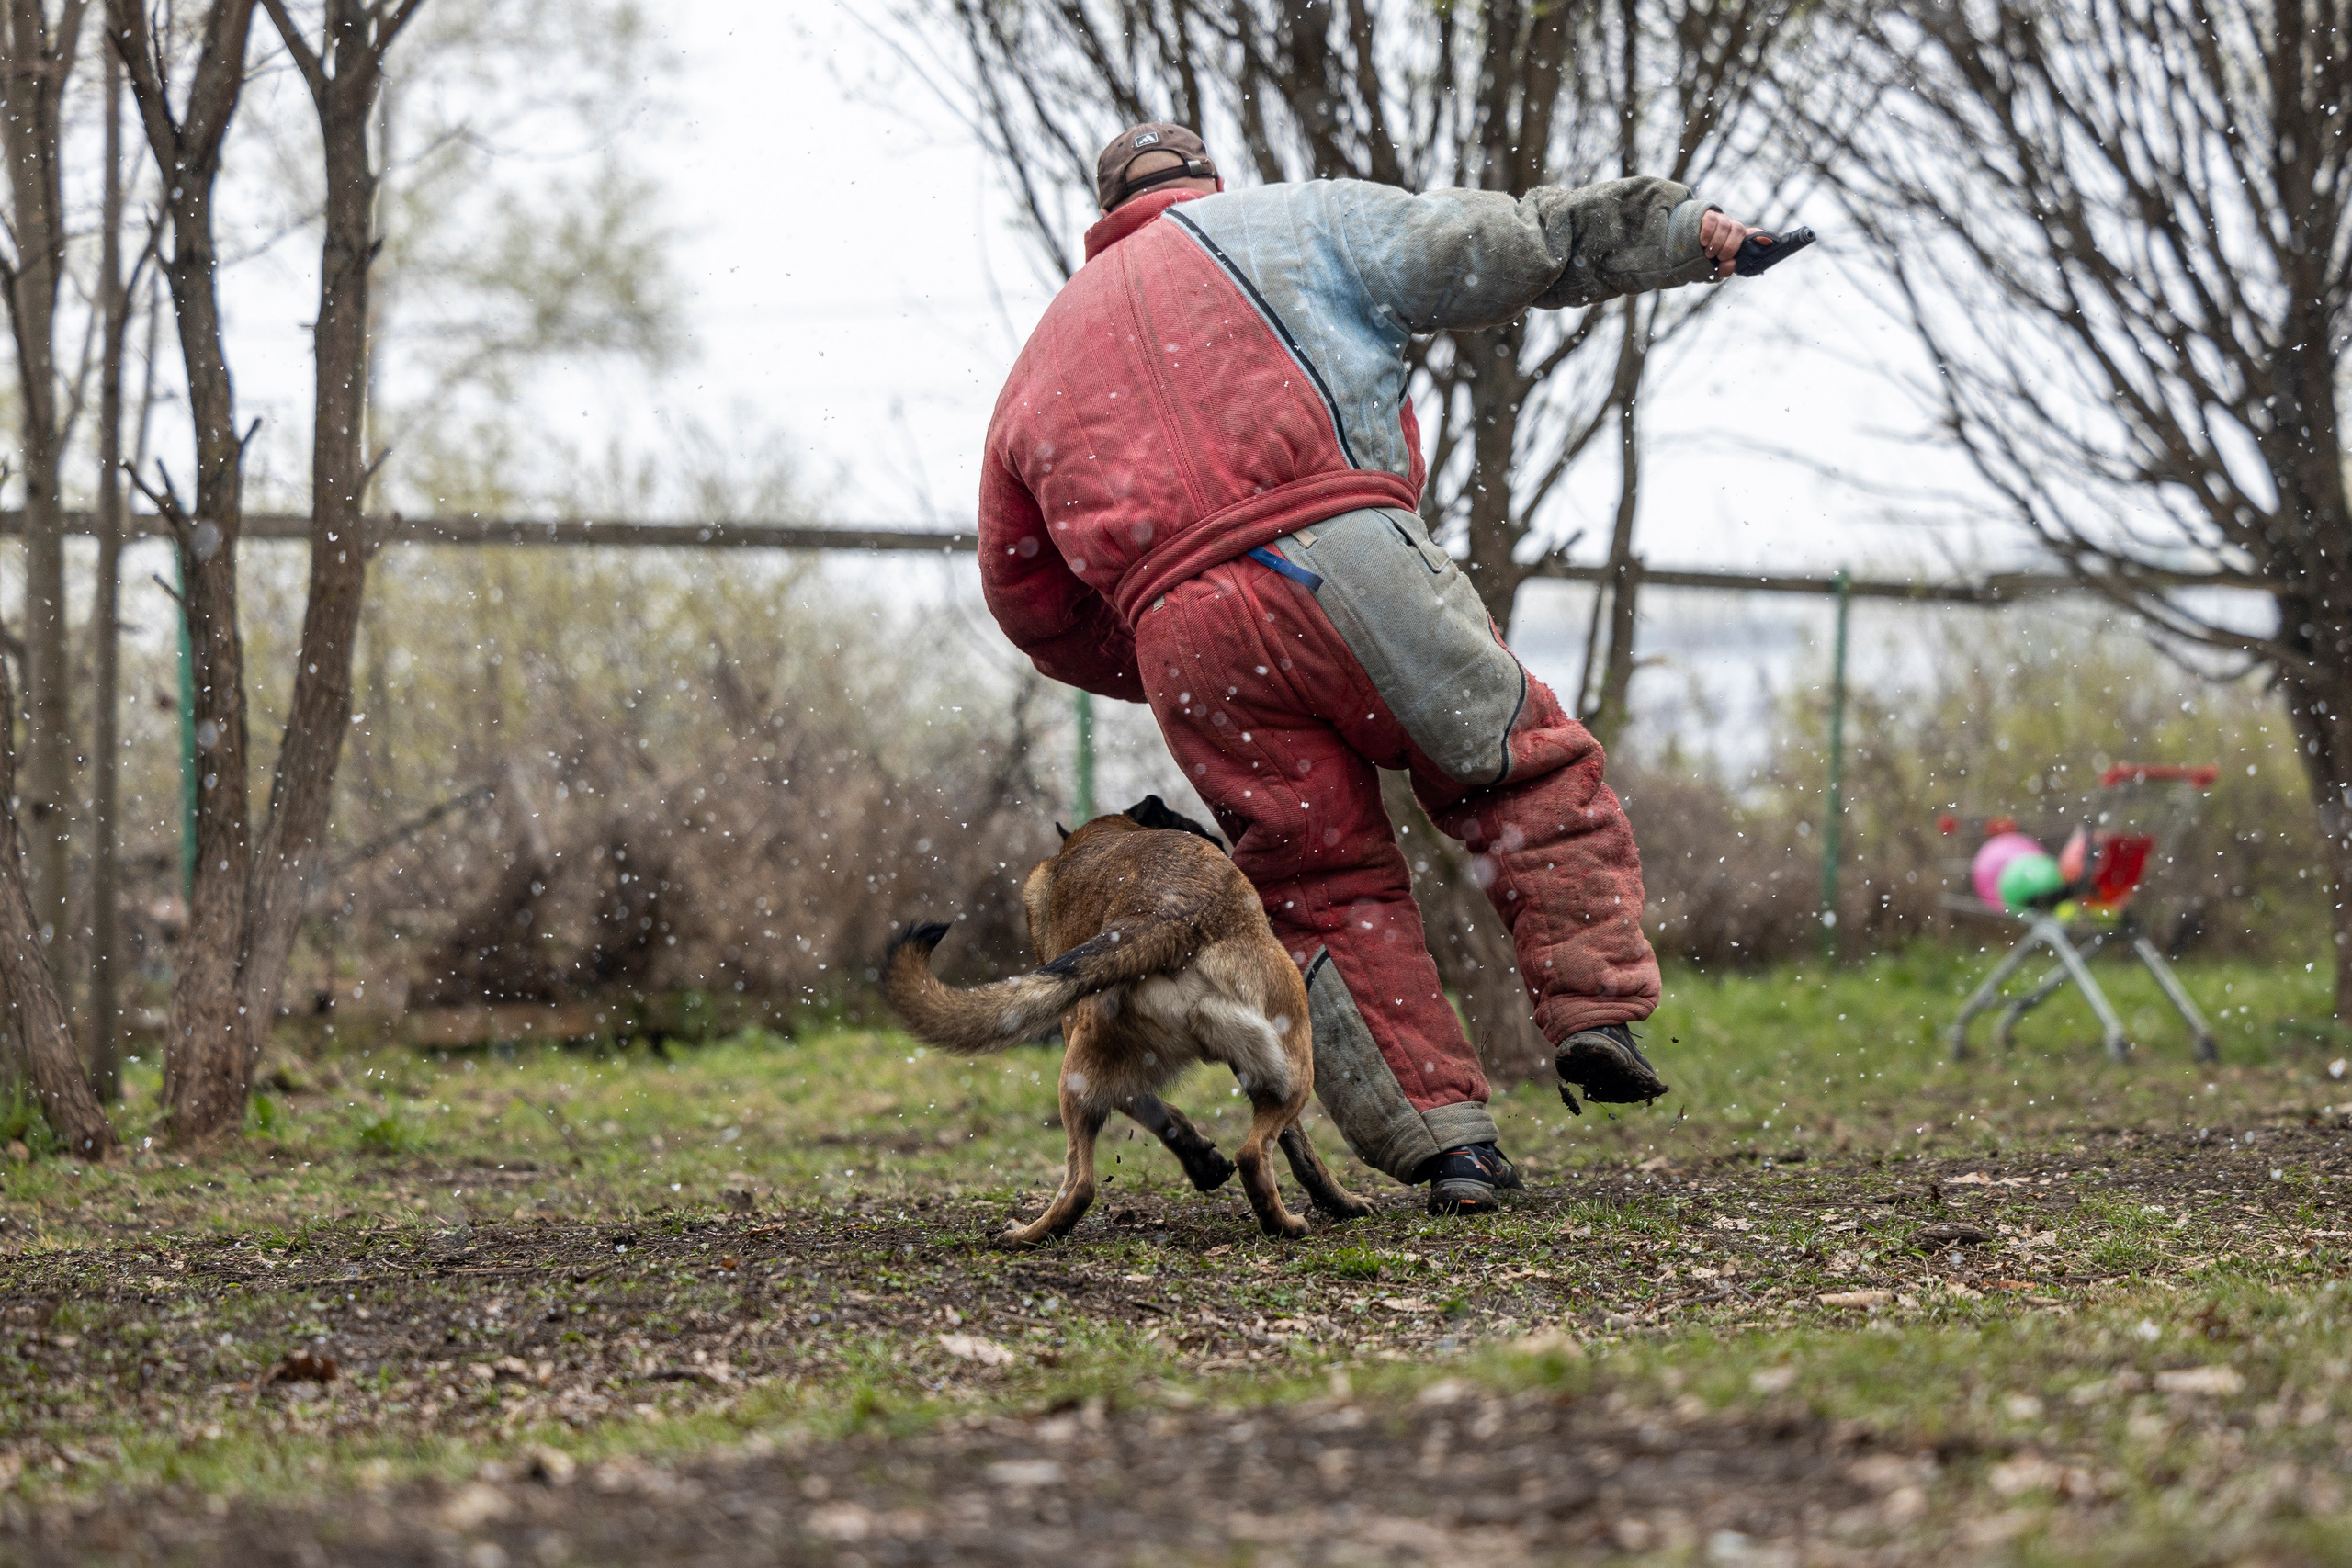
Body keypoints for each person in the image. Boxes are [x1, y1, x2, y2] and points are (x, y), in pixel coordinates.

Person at [978, 123, 1767, 1214]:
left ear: (1101, 211)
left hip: (1183, 636)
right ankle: (1593, 1015)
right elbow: (1502, 242)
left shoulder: (1035, 367)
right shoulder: (1293, 222)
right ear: (1208, 181)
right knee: (1523, 775)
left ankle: (1448, 1147)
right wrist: (1675, 234)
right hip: (1353, 556)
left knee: (1318, 886)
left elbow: (1028, 602)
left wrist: (1162, 640)